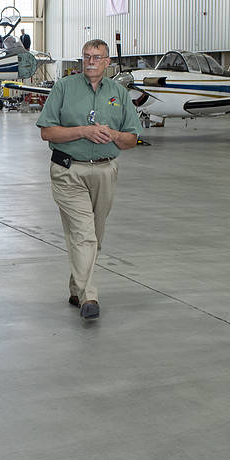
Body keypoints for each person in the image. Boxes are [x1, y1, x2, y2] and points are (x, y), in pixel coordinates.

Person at [35, 39, 141, 321]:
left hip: (105, 170)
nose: (90, 61)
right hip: (69, 171)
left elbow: (132, 137)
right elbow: (47, 132)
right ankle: (89, 296)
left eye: (97, 57)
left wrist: (115, 136)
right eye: (86, 56)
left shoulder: (119, 93)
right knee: (84, 234)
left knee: (95, 235)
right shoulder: (63, 88)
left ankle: (76, 286)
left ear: (108, 62)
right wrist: (82, 131)